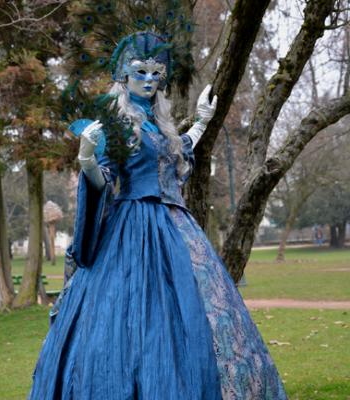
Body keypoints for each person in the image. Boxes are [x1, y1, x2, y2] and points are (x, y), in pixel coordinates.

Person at [29, 32, 287, 399]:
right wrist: (86, 159)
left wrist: (200, 123)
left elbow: (176, 151)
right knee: (129, 319)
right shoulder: (115, 125)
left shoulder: (160, 125)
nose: (149, 80)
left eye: (156, 73)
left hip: (177, 229)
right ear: (124, 77)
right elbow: (104, 182)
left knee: (194, 315)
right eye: (140, 72)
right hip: (132, 229)